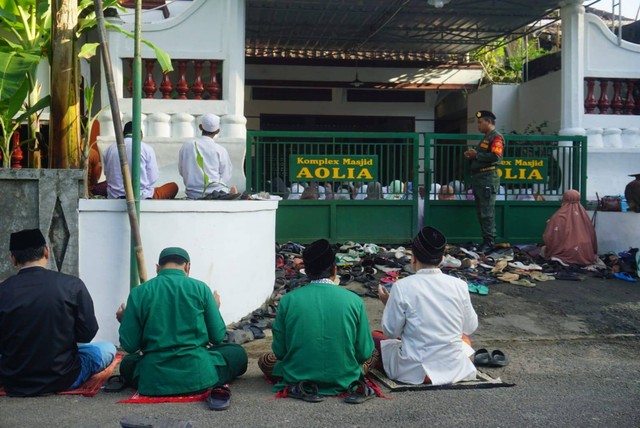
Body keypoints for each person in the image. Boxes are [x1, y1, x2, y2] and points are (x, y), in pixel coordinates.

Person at [117, 247, 247, 409]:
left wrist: (124, 320)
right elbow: (217, 337)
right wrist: (214, 308)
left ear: (157, 268)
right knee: (237, 353)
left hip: (153, 380)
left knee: (127, 363)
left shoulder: (139, 292)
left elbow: (130, 345)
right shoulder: (201, 288)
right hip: (198, 377)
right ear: (188, 267)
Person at [0, 229, 115, 396]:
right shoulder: (72, 285)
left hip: (14, 379)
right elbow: (87, 333)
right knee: (108, 348)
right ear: (46, 251)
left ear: (13, 259)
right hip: (64, 376)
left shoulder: (3, 290)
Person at [258, 239, 376, 400]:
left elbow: (280, 352)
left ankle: (302, 386)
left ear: (306, 270)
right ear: (334, 269)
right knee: (374, 353)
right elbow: (363, 352)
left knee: (265, 360)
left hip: (298, 375)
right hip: (344, 376)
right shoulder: (354, 300)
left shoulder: (288, 300)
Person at [375, 226, 478, 385]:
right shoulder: (459, 285)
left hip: (416, 371)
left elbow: (391, 332)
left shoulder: (402, 286)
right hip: (454, 367)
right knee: (464, 338)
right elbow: (470, 327)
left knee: (374, 338)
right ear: (442, 259)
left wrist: (390, 305)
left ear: (413, 259)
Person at [102, 121, 178, 199]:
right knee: (173, 187)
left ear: (122, 134)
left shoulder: (109, 149)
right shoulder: (146, 148)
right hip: (141, 196)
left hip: (115, 195)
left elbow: (107, 174)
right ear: (141, 135)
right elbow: (153, 178)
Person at [464, 110, 504, 253]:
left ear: (488, 122)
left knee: (487, 212)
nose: (478, 126)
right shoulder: (487, 137)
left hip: (487, 178)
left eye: (480, 122)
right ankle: (486, 241)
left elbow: (496, 157)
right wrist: (472, 156)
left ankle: (489, 242)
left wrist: (477, 155)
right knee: (482, 211)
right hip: (480, 179)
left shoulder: (496, 137)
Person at [179, 113, 238, 199]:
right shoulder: (220, 150)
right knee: (231, 189)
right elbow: (226, 175)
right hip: (217, 192)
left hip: (193, 193)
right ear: (218, 131)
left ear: (200, 127)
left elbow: (182, 171)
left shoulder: (187, 145)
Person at [542, 189, 597, 266]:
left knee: (543, 251)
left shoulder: (559, 215)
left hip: (565, 252)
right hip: (586, 252)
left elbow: (550, 236)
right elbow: (592, 234)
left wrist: (550, 224)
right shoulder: (583, 215)